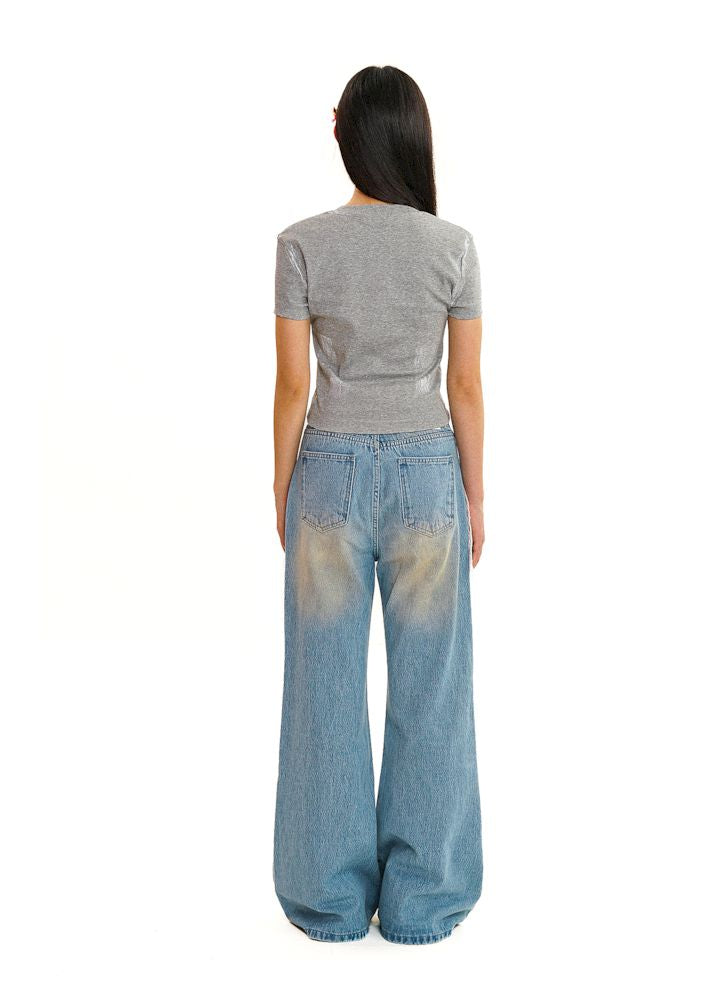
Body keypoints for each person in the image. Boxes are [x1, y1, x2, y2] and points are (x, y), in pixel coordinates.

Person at [272, 65, 484, 945]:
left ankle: (327, 902)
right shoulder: (452, 247)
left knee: (321, 688)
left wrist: (282, 487)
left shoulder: (301, 244)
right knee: (432, 690)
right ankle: (422, 903)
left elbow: (293, 386)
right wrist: (476, 494)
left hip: (327, 471)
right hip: (429, 474)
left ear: (345, 133)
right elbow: (464, 387)